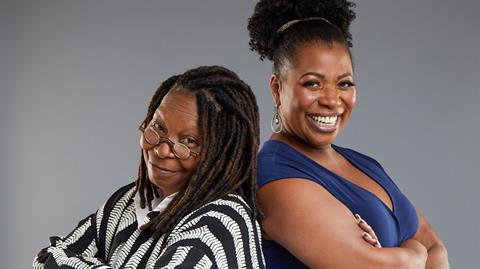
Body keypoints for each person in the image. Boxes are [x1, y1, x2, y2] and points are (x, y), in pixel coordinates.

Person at [247, 1, 449, 268]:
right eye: (312, 83)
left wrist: (409, 255)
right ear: (277, 89)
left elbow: (437, 249)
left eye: (344, 83)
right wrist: (413, 254)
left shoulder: (365, 164)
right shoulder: (274, 179)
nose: (332, 100)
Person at [32, 66, 266, 268]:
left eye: (189, 141)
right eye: (158, 128)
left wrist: (83, 263)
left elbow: (61, 260)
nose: (162, 150)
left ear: (221, 153)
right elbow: (46, 258)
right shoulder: (127, 201)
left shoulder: (220, 223)